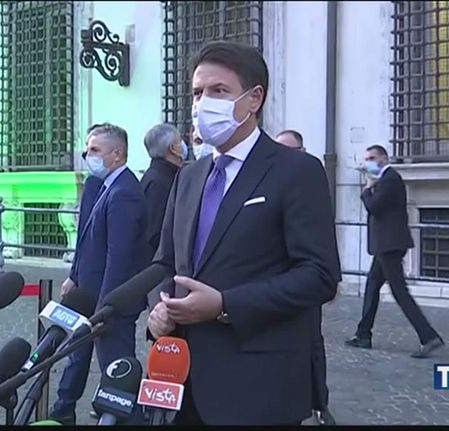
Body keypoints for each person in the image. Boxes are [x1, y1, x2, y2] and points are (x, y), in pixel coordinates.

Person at [123, 40, 341, 425]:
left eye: (219, 90)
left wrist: (225, 304)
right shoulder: (188, 177)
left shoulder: (297, 171)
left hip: (258, 385)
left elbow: (320, 276)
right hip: (183, 383)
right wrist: (160, 308)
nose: (203, 103)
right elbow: (165, 263)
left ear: (254, 98)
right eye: (197, 93)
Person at [50, 123, 147, 425]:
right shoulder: (107, 186)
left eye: (94, 150)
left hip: (111, 304)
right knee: (101, 367)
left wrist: (106, 306)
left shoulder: (124, 192)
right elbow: (90, 242)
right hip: (94, 297)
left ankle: (130, 420)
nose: (87, 156)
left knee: (117, 375)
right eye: (87, 150)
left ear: (117, 154)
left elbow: (119, 256)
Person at [345, 144, 444, 358]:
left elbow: (374, 207)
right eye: (366, 159)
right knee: (372, 286)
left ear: (384, 158)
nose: (368, 162)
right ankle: (363, 334)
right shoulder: (385, 179)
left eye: (372, 158)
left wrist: (367, 189)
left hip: (390, 245)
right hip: (385, 244)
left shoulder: (390, 179)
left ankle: (429, 337)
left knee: (399, 292)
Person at [274, 130, 334, 425]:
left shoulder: (309, 176)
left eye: (290, 149)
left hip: (304, 280)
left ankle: (319, 403)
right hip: (276, 283)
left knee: (312, 344)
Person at [140, 123, 186, 265]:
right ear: (173, 148)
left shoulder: (163, 175)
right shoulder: (159, 181)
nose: (184, 145)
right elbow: (155, 232)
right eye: (180, 141)